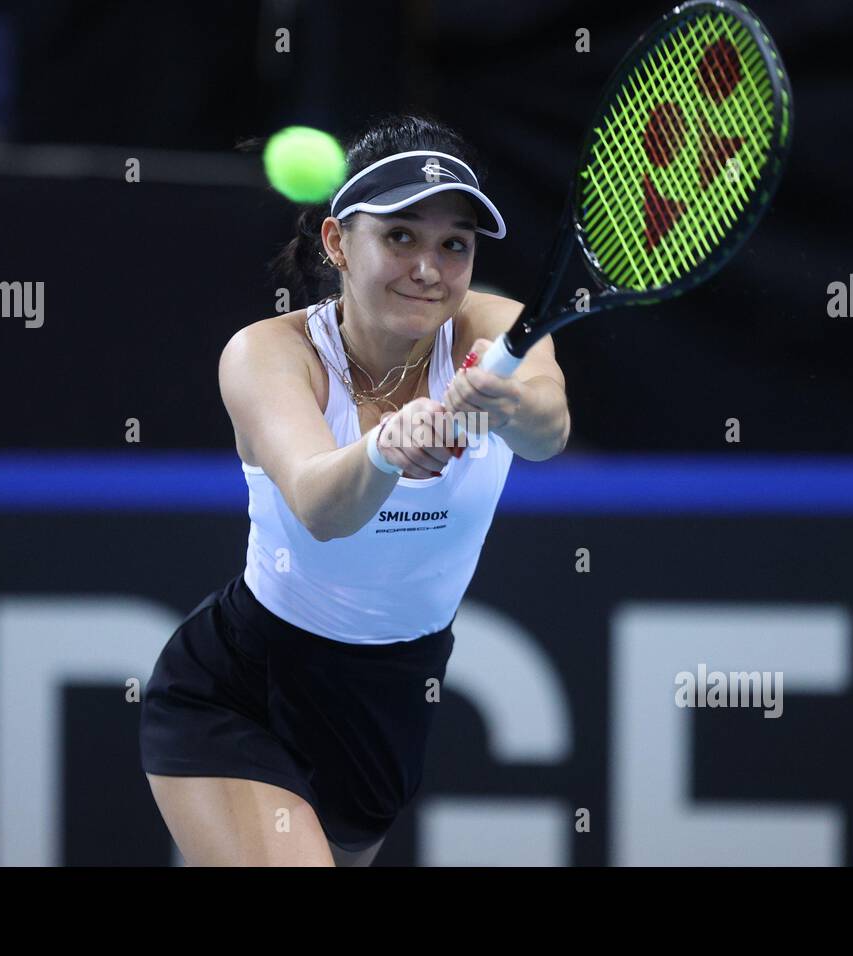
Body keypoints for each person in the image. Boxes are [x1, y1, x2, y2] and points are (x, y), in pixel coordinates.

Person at [140, 114, 569, 866]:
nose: (429, 268)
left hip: (389, 703)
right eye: (400, 236)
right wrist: (385, 448)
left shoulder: (497, 331)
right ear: (338, 242)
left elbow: (549, 430)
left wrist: (504, 403)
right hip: (244, 690)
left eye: (453, 244)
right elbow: (317, 504)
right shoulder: (268, 353)